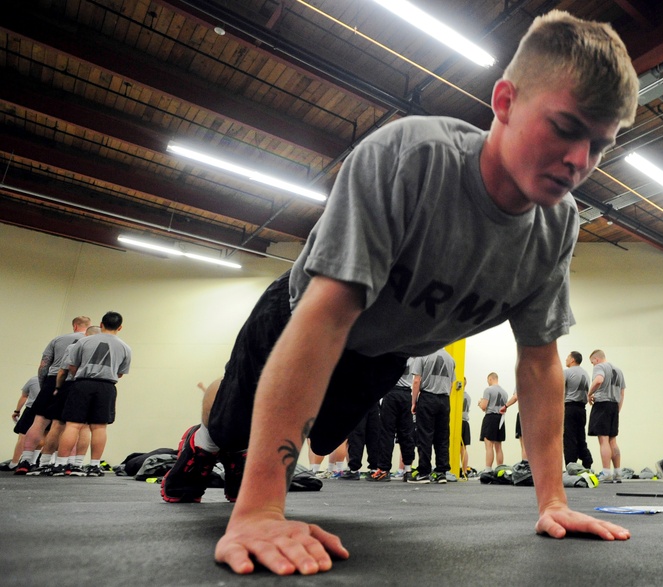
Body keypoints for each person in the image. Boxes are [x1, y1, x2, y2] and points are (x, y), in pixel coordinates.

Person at [160, 10, 637, 574]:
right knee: (233, 425)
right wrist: (261, 509)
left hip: (381, 357)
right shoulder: (413, 159)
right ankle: (205, 441)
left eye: (599, 145)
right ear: (505, 102)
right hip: (301, 316)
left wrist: (553, 501)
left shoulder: (558, 224)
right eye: (564, 127)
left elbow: (538, 363)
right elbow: (325, 319)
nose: (580, 161)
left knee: (319, 441)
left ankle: (241, 449)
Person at [54, 311, 131, 477]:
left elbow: (72, 366)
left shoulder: (83, 342)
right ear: (120, 327)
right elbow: (120, 373)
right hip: (107, 386)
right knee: (99, 426)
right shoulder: (125, 347)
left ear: (101, 324)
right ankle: (94, 465)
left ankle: (60, 464)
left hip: (82, 383)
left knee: (72, 425)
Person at [14, 315, 90, 475]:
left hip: (52, 379)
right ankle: (70, 464)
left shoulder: (58, 339)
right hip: (76, 382)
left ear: (75, 326)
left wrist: (45, 386)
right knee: (76, 426)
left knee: (39, 422)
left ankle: (26, 461)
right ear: (88, 327)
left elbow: (43, 365)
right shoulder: (91, 341)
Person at [410, 348, 456, 484]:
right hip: (444, 400)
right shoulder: (450, 359)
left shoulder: (422, 354)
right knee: (442, 437)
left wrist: (413, 402)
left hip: (428, 397)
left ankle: (424, 472)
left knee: (424, 436)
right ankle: (441, 472)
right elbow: (451, 384)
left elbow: (417, 381)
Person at [375, 358, 416, 481]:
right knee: (406, 433)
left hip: (392, 394)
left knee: (387, 433)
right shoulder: (416, 356)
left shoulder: (394, 353)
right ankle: (408, 470)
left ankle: (384, 470)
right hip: (406, 395)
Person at [587, 350, 625, 483]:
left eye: (592, 362)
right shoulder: (618, 371)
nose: (593, 365)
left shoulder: (599, 367)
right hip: (614, 406)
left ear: (596, 359)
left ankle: (606, 473)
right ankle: (618, 473)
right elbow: (622, 393)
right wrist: (617, 410)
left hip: (602, 404)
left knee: (603, 440)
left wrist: (589, 393)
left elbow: (598, 380)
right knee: (612, 440)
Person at [563, 351, 592, 470]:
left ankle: (571, 465)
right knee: (580, 436)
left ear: (572, 360)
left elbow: (561, 391)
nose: (566, 359)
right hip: (582, 409)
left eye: (567, 357)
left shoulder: (567, 372)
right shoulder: (586, 374)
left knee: (569, 437)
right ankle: (587, 460)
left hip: (569, 408)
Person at [7, 376, 41, 470]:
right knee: (42, 436)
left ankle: (14, 463)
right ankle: (32, 462)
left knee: (23, 436)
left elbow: (24, 396)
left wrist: (17, 411)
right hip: (45, 411)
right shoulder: (56, 380)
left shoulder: (34, 380)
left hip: (30, 410)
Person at [479, 372, 508, 470]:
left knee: (489, 445)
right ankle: (500, 469)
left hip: (490, 417)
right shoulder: (505, 392)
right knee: (498, 446)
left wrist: (479, 403)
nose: (487, 382)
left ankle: (488, 470)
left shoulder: (488, 390)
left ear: (490, 379)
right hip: (500, 418)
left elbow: (484, 406)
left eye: (488, 380)